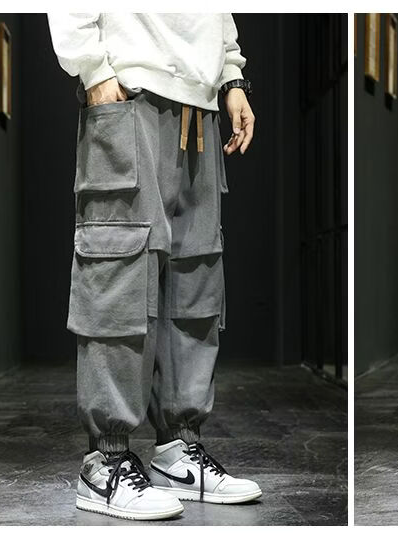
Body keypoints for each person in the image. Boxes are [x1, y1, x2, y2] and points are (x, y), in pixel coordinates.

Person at [48, 13, 260, 520]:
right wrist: (94, 70)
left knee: (194, 279)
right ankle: (105, 461)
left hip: (201, 103)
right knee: (118, 272)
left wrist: (231, 76)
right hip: (130, 91)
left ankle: (177, 450)